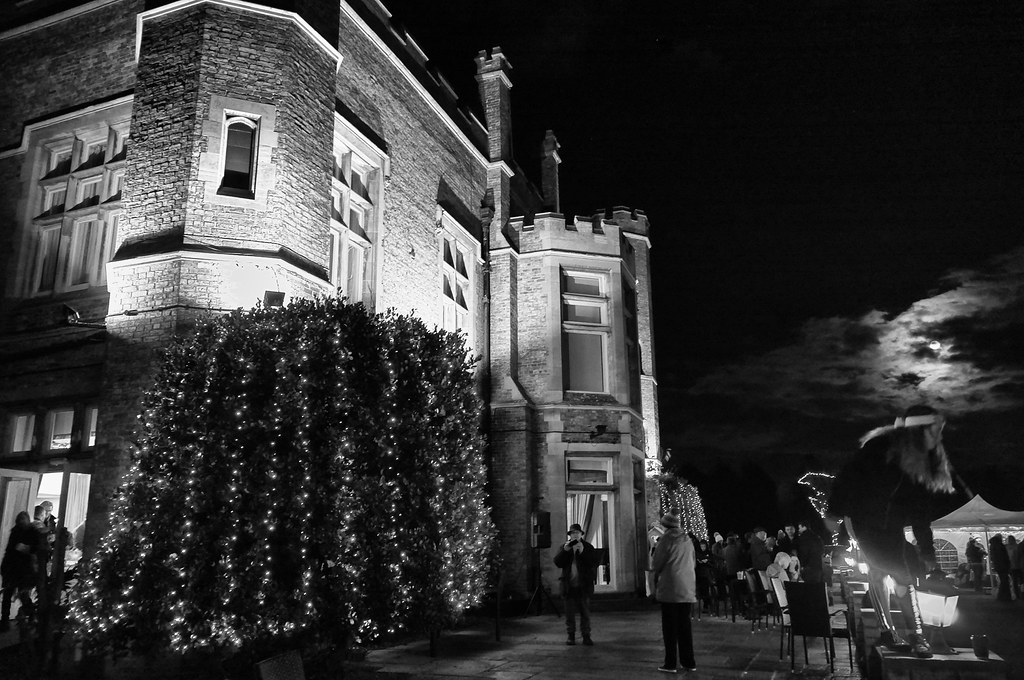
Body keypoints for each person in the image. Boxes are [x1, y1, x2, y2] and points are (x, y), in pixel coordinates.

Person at [829, 405, 962, 658]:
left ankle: (915, 635)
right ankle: (892, 632)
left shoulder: (921, 462)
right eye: (936, 431)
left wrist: (927, 549)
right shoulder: (880, 447)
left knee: (904, 575)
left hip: (892, 527)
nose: (939, 437)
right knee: (885, 570)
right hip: (863, 521)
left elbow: (921, 511)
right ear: (919, 429)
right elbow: (848, 477)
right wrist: (834, 512)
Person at [652, 512, 697, 673]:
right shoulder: (687, 540)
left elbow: (657, 563)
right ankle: (689, 661)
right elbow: (693, 562)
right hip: (687, 588)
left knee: (670, 627)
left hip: (670, 587)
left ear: (665, 525)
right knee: (685, 625)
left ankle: (670, 663)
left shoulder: (666, 540)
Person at [553, 523, 600, 646]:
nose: (575, 535)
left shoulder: (588, 547)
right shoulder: (565, 547)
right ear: (570, 535)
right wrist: (565, 551)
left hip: (583, 585)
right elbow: (557, 562)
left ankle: (586, 635)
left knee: (585, 612)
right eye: (573, 533)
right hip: (569, 586)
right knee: (569, 614)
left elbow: (593, 562)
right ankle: (571, 636)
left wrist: (583, 551)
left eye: (577, 533)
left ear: (581, 534)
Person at [1, 511, 40, 631]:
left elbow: (35, 548)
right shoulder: (18, 531)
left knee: (20, 595)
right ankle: (5, 621)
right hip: (15, 568)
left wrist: (26, 549)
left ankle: (31, 616)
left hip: (22, 568)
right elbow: (10, 550)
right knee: (11, 595)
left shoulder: (30, 532)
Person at [989, 534, 1011, 602]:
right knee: (1004, 581)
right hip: (1003, 565)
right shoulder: (1000, 546)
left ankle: (1002, 596)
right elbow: (1003, 556)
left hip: (998, 565)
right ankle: (1003, 596)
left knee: (1003, 580)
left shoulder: (993, 546)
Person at [1008, 535, 1023, 600]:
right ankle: (1020, 593)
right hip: (1018, 566)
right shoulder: (1017, 546)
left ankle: (1017, 594)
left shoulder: (1007, 547)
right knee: (1020, 580)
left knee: (1014, 581)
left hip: (1012, 566)